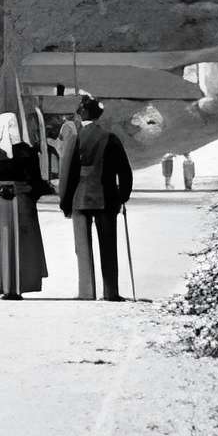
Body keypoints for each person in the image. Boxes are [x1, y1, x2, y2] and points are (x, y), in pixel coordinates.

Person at [57, 94, 136, 301]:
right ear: (98, 115)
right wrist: (123, 196)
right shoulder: (111, 138)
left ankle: (87, 292)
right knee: (109, 246)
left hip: (80, 199)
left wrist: (65, 202)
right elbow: (125, 171)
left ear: (81, 115)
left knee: (82, 249)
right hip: (107, 198)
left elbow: (67, 174)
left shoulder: (75, 138)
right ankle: (111, 292)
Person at [0, 112, 49, 299]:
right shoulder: (28, 152)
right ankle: (18, 286)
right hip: (22, 203)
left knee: (0, 243)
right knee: (21, 246)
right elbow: (36, 183)